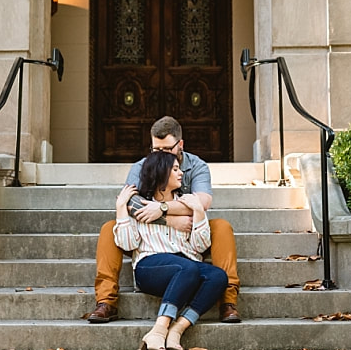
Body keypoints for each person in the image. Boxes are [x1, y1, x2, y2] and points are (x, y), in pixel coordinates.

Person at [87, 116, 242, 324]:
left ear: (180, 145)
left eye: (166, 150)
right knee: (109, 228)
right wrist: (168, 221)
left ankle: (228, 301)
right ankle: (106, 301)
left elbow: (202, 202)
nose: (160, 155)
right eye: (155, 150)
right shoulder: (143, 166)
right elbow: (131, 204)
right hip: (152, 238)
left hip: (190, 230)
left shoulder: (197, 166)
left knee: (222, 227)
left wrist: (162, 209)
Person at [113, 150, 228, 350]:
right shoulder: (139, 205)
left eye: (180, 168)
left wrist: (199, 212)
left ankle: (177, 330)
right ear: (161, 171)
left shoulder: (188, 203)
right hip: (150, 266)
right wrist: (121, 208)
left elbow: (200, 247)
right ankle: (158, 330)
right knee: (188, 267)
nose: (181, 173)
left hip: (186, 267)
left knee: (217, 276)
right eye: (175, 169)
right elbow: (128, 243)